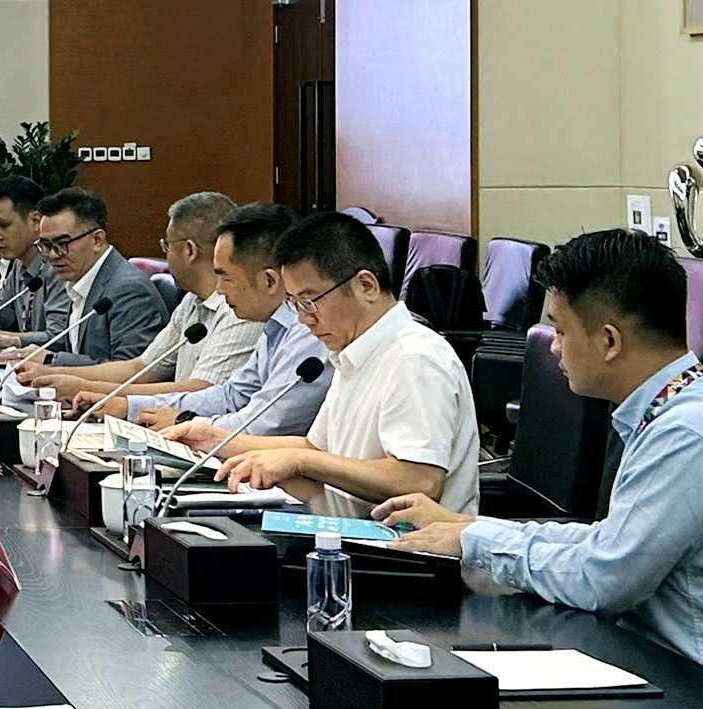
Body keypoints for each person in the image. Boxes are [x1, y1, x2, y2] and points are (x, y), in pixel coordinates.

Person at [374, 229, 703, 680]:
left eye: (561, 330)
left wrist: (472, 542)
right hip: (680, 667)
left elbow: (603, 579)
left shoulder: (687, 434)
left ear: (609, 341)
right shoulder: (677, 407)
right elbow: (606, 543)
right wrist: (468, 527)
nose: (553, 345)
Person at [209, 211, 480, 519]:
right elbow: (317, 449)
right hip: (342, 530)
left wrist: (298, 461)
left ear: (366, 286)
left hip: (401, 545)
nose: (304, 319)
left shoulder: (415, 358)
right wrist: (215, 441)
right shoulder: (354, 349)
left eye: (310, 301)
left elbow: (419, 481)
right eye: (294, 303)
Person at [28, 192, 258, 408]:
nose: (52, 255)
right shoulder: (192, 301)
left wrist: (86, 388)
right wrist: (52, 373)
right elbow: (141, 368)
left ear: (190, 250)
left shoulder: (240, 310)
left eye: (167, 245)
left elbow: (201, 391)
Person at [132, 202, 332, 439]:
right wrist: (131, 406)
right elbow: (231, 396)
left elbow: (266, 425)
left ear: (268, 281)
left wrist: (185, 422)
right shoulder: (276, 325)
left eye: (225, 278)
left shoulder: (308, 331)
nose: (219, 289)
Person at [11, 186, 172, 371]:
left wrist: (51, 359)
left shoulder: (129, 290)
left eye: (62, 244)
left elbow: (130, 371)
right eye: (46, 245)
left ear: (97, 240)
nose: (53, 255)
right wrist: (28, 348)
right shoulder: (81, 278)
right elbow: (73, 346)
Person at [0, 177, 72, 349]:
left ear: (35, 222)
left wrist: (9, 339)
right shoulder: (19, 265)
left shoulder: (59, 266)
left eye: (4, 225)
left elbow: (58, 338)